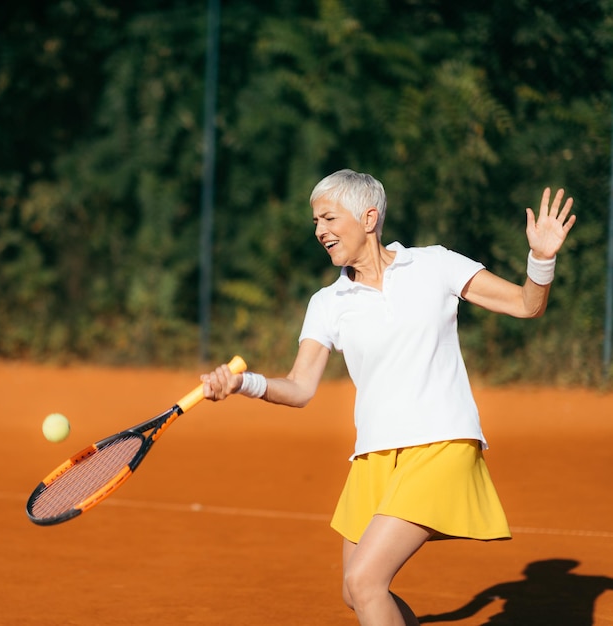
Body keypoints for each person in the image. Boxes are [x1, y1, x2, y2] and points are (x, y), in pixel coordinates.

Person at [201, 169, 576, 626]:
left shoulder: (435, 264)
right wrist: (244, 384)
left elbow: (525, 304)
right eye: (315, 221)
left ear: (369, 217)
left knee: (365, 583)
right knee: (353, 592)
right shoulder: (328, 301)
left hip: (441, 443)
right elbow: (300, 388)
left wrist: (540, 259)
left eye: (329, 218)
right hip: (374, 457)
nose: (319, 230)